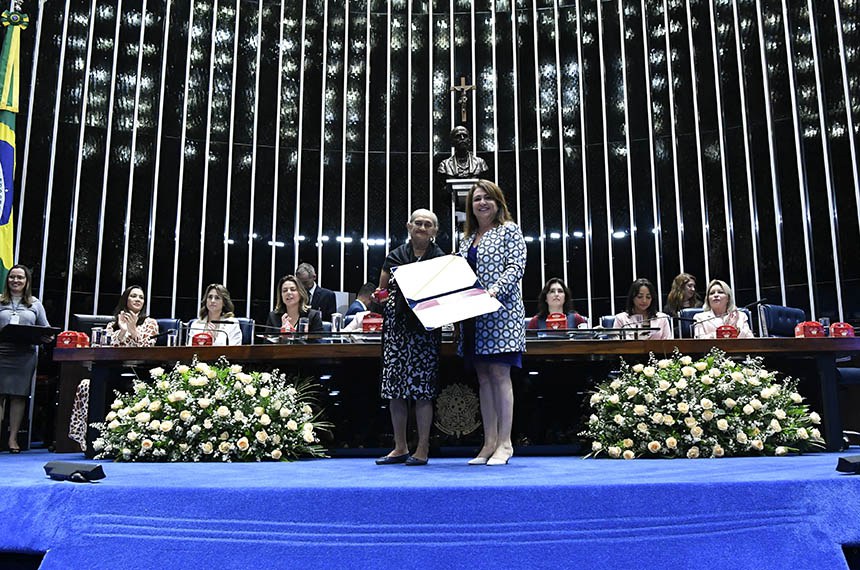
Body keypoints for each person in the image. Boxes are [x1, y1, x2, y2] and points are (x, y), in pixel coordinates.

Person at [458, 180, 526, 466]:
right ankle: (489, 442)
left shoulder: (509, 230)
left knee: (500, 374)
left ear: (498, 203)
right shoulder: (465, 240)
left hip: (501, 313)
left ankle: (505, 444)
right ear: (470, 206)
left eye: (488, 198)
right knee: (484, 378)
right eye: (477, 199)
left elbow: (516, 266)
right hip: (474, 317)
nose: (482, 203)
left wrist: (495, 290)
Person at [374, 209, 446, 467]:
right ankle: (400, 447)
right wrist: (380, 298)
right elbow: (381, 292)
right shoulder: (393, 256)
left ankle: (423, 448)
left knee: (422, 392)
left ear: (435, 230)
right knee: (395, 390)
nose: (422, 227)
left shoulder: (441, 259)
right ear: (408, 226)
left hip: (425, 331)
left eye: (428, 224)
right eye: (418, 223)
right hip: (396, 331)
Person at [0, 265, 49, 453]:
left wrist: (47, 336)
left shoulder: (35, 304)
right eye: (12, 277)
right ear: (7, 280)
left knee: (18, 396)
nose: (15, 280)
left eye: (20, 277)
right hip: (1, 353)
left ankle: (13, 439)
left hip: (24, 356)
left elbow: (45, 328)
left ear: (27, 281)